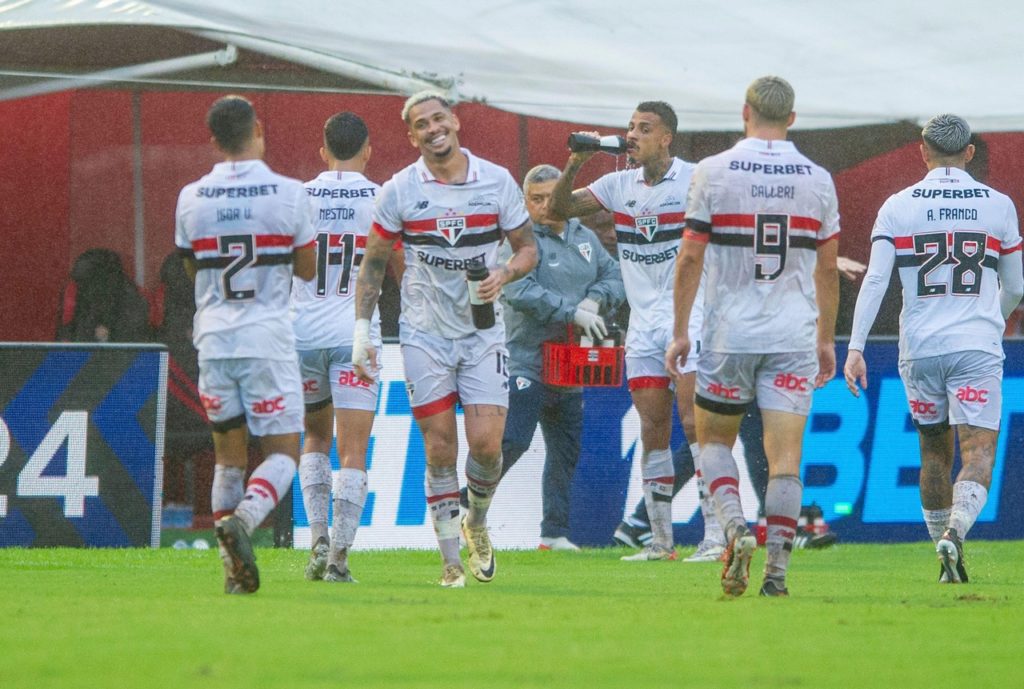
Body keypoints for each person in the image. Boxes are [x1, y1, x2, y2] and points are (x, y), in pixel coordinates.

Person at [352, 91, 537, 587]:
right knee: (439, 450)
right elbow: (372, 263)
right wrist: (361, 331)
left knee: (486, 446)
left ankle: (477, 520)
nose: (433, 128)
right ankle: (451, 561)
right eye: (421, 124)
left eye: (438, 118)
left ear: (454, 121)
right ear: (411, 136)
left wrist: (505, 273)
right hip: (423, 333)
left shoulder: (496, 181)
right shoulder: (398, 189)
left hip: (481, 333)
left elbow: (528, 248)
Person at [666, 76, 840, 597]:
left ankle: (736, 528)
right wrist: (826, 339)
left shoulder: (713, 171)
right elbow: (827, 271)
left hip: (729, 332)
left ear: (745, 111)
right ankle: (778, 577)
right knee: (785, 458)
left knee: (713, 438)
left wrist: (679, 331)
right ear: (792, 118)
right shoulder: (818, 179)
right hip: (792, 332)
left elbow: (691, 255)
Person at [843, 114, 1023, 584]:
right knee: (979, 452)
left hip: (920, 347)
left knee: (933, 455)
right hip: (976, 346)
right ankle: (956, 534)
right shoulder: (999, 205)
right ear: (968, 153)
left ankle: (944, 561)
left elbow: (877, 280)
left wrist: (856, 346)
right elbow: (1016, 285)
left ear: (922, 152)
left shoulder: (898, 205)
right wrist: (991, 320)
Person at [550, 101, 723, 562]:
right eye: (630, 128)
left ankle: (715, 537)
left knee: (694, 426)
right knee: (652, 430)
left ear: (666, 137)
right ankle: (661, 542)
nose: (632, 136)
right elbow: (559, 207)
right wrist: (575, 161)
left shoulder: (693, 179)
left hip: (689, 319)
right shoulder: (615, 184)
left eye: (644, 129)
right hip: (643, 326)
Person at [175, 95, 316, 594]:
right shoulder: (290, 193)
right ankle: (245, 519)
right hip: (267, 338)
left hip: (213, 337)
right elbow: (306, 268)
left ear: (212, 140)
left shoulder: (191, 196)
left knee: (229, 457)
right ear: (259, 128)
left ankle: (232, 571)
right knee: (283, 455)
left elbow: (190, 267)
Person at [457, 164, 625, 550]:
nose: (547, 205)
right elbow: (517, 291)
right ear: (525, 202)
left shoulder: (585, 237)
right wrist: (571, 311)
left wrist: (596, 298)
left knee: (566, 448)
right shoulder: (520, 244)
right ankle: (468, 502)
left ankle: (554, 532)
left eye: (553, 196)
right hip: (525, 359)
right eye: (537, 198)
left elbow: (615, 276)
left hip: (570, 363)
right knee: (514, 439)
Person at [292, 112, 400, 583]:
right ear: (369, 149)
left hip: (302, 334)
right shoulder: (381, 198)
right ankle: (338, 557)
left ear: (322, 150)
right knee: (353, 449)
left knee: (314, 437)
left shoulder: (297, 196)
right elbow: (395, 263)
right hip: (355, 334)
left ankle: (317, 535)